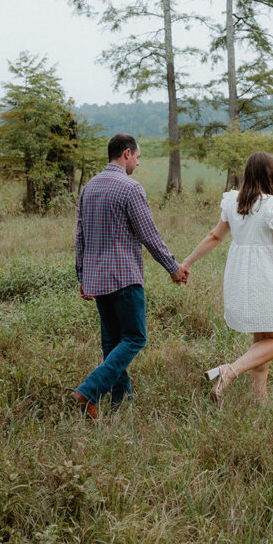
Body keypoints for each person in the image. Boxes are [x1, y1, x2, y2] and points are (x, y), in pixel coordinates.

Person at [71, 133, 189, 419]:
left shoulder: (89, 187)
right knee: (135, 338)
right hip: (124, 278)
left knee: (113, 343)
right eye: (137, 156)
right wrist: (173, 267)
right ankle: (89, 390)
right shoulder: (130, 188)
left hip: (98, 280)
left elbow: (80, 236)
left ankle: (121, 403)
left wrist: (82, 276)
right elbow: (148, 234)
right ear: (126, 154)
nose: (138, 161)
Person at [180, 151, 273, 403]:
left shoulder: (233, 202)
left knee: (263, 340)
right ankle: (229, 371)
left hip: (241, 277)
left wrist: (187, 261)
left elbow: (214, 236)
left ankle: (259, 399)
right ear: (272, 174)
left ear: (248, 173)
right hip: (267, 277)